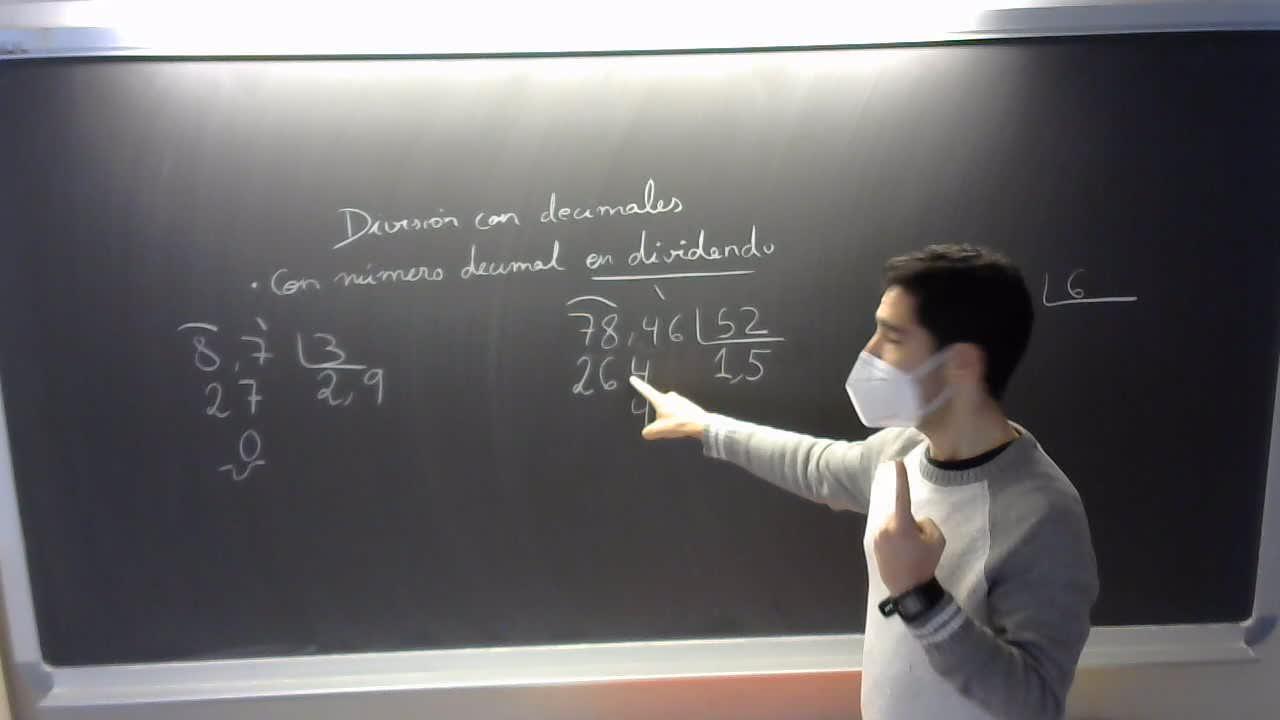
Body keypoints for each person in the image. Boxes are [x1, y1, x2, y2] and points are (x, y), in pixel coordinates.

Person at [629, 244, 1098, 720]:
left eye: (892, 337)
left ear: (962, 363)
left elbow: (1036, 704)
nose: (869, 353)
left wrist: (920, 595)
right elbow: (813, 464)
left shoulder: (1042, 515)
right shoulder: (900, 452)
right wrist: (707, 427)